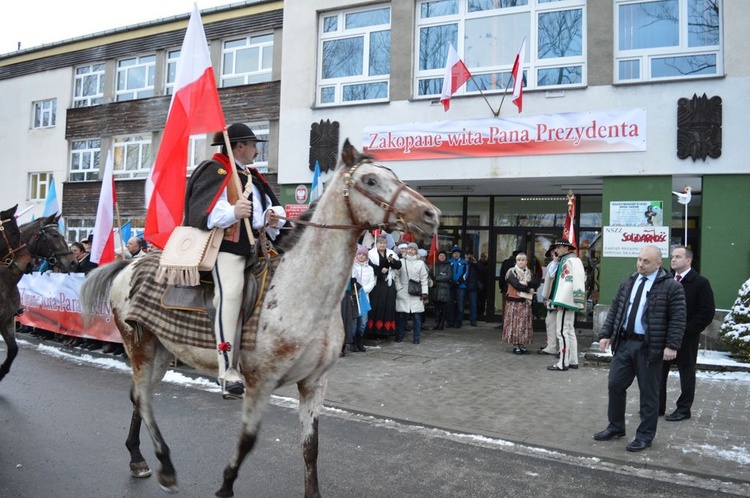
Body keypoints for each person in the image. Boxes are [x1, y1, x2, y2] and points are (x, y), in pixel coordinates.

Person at [183, 122, 286, 399]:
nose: (256, 150)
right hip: (227, 247)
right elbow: (202, 213)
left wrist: (273, 217)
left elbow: (271, 208)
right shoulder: (214, 169)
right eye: (253, 145)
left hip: (259, 246)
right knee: (230, 294)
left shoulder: (253, 175)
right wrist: (233, 212)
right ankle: (227, 370)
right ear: (239, 146)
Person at [594, 245, 686, 453]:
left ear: (658, 264)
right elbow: (616, 309)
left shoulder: (671, 287)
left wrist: (672, 345)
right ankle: (616, 426)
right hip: (625, 343)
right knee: (615, 385)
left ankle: (645, 435)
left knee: (649, 394)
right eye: (639, 260)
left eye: (646, 261)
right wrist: (605, 334)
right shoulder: (629, 281)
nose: (640, 264)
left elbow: (678, 319)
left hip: (649, 347)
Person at [659, 246, 715, 421]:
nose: (673, 259)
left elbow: (706, 313)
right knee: (659, 372)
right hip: (664, 336)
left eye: (678, 256)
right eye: (672, 256)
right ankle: (657, 407)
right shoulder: (666, 280)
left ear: (688, 261)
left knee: (686, 374)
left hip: (686, 338)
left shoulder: (700, 282)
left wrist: (686, 330)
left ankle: (683, 410)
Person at [542, 240, 585, 371]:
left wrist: (563, 301)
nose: (557, 250)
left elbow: (572, 281)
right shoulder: (567, 260)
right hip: (567, 300)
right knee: (569, 330)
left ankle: (563, 362)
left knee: (562, 331)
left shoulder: (571, 261)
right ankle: (572, 360)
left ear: (566, 247)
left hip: (565, 301)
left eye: (559, 247)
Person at [502, 252, 539, 354]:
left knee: (523, 324)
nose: (521, 262)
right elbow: (516, 284)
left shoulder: (529, 272)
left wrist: (527, 283)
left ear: (526, 261)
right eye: (519, 260)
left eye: (523, 260)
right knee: (515, 324)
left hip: (525, 302)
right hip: (514, 302)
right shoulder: (511, 272)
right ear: (516, 261)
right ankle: (516, 345)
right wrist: (528, 289)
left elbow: (536, 282)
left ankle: (522, 344)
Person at [367, 235, 402, 338]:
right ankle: (372, 331)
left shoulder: (392, 253)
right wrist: (379, 270)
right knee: (376, 306)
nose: (382, 245)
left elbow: (399, 266)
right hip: (377, 283)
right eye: (380, 243)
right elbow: (369, 266)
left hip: (389, 284)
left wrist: (392, 261)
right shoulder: (371, 254)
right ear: (376, 244)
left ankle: (386, 331)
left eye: (384, 243)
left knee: (388, 307)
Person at [395, 242, 429, 344]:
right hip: (403, 290)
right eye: (409, 249)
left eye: (413, 249)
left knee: (417, 317)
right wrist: (399, 289)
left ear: (416, 251)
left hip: (416, 291)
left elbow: (424, 279)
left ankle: (416, 338)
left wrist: (424, 292)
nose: (411, 251)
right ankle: (400, 336)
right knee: (402, 316)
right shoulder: (400, 261)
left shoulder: (420, 263)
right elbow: (396, 276)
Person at [350, 245, 376, 352]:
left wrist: (363, 290)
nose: (361, 256)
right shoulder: (352, 267)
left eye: (363, 254)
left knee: (363, 322)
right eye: (359, 254)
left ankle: (360, 340)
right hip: (354, 298)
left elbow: (372, 282)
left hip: (364, 297)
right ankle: (353, 342)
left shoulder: (370, 268)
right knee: (354, 322)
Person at [537, 247, 560, 356]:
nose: (552, 254)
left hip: (558, 298)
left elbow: (552, 276)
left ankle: (560, 348)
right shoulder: (553, 264)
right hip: (552, 298)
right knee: (550, 323)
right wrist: (546, 297)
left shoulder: (561, 264)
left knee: (561, 325)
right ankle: (551, 346)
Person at [447, 246, 468, 328]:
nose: (456, 254)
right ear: (452, 254)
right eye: (454, 253)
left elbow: (466, 273)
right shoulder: (448, 262)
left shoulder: (464, 262)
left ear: (460, 254)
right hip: (450, 285)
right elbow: (447, 272)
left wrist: (459, 281)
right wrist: (451, 280)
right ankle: (450, 321)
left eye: (457, 253)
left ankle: (458, 322)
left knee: (460, 304)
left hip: (461, 286)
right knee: (450, 304)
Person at [429, 251, 451, 330]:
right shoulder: (435, 265)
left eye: (443, 256)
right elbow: (429, 274)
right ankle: (437, 323)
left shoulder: (448, 266)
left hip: (444, 290)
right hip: (435, 289)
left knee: (443, 309)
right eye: (440, 255)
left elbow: (448, 276)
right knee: (436, 308)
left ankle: (441, 324)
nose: (442, 257)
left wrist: (437, 278)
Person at [465, 252, 481, 326]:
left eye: (470, 257)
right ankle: (458, 320)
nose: (469, 258)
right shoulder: (462, 263)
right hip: (462, 285)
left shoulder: (475, 265)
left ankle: (473, 320)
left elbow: (481, 271)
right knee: (460, 304)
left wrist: (475, 262)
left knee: (473, 304)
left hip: (473, 286)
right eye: (467, 257)